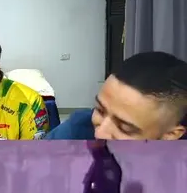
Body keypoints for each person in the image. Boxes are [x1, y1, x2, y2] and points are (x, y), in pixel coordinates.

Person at [48, 51, 187, 141]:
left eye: (125, 128)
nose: (99, 134)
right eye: (100, 110)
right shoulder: (78, 128)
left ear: (170, 135)